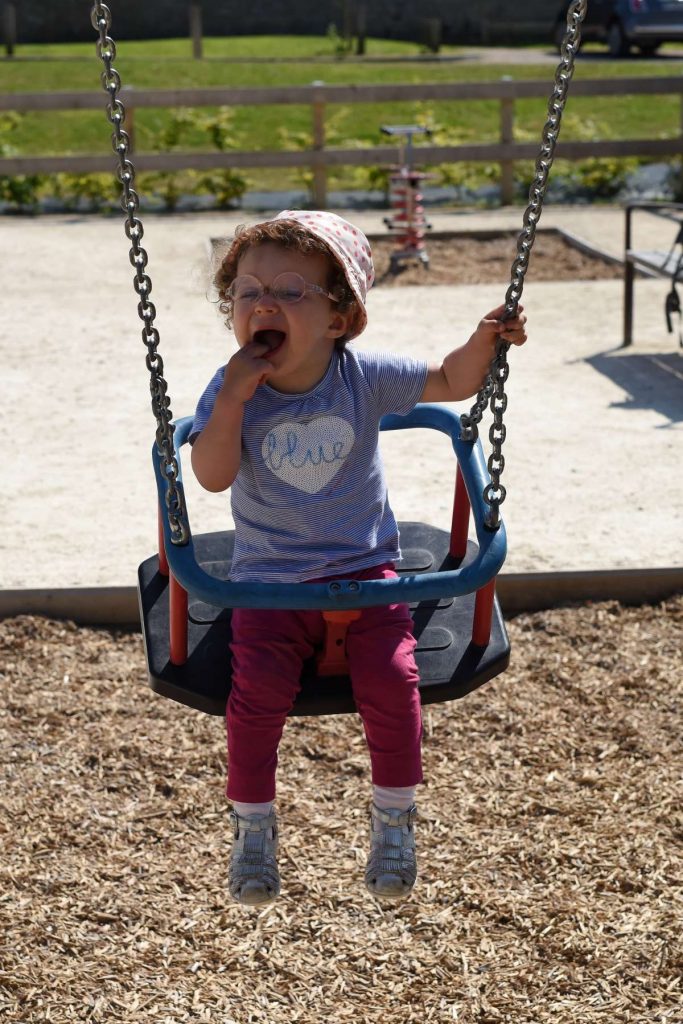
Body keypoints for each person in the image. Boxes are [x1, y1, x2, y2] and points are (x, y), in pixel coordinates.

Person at [190, 210, 527, 907]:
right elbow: (212, 474)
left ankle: (394, 817)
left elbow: (451, 381)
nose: (263, 304)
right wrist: (229, 402)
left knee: (394, 685)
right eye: (248, 292)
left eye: (289, 291)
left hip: (368, 571)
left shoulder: (363, 378)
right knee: (252, 701)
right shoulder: (228, 393)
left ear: (339, 320)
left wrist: (484, 340)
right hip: (267, 581)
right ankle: (253, 827)